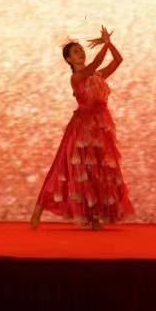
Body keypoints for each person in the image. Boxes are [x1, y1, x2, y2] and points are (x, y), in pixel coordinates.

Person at [31, 26, 134, 230]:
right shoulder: (77, 77)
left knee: (98, 171)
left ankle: (94, 218)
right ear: (69, 59)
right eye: (76, 52)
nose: (80, 53)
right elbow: (96, 62)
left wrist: (110, 44)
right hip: (82, 128)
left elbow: (118, 60)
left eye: (81, 50)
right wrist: (104, 44)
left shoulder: (96, 75)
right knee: (66, 168)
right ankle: (37, 212)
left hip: (100, 128)